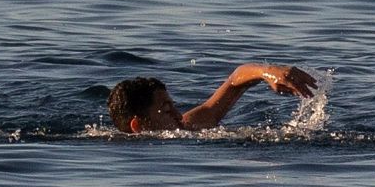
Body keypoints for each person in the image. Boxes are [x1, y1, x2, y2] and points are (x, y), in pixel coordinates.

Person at [108, 65, 317, 133]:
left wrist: (267, 72)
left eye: (173, 105)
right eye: (166, 109)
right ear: (138, 125)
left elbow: (235, 81)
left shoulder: (188, 126)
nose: (179, 115)